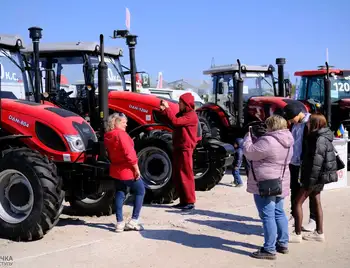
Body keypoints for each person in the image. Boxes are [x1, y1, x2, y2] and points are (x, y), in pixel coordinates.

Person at [243, 115, 294, 260]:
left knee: (267, 216)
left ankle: (269, 249)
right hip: (281, 180)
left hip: (265, 183)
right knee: (279, 212)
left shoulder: (268, 141)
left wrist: (248, 136)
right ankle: (283, 243)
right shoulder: (288, 139)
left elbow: (250, 153)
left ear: (271, 126)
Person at [290, 113, 337, 243]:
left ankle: (297, 233)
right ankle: (319, 232)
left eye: (310, 122)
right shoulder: (323, 136)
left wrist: (308, 181)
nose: (307, 124)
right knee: (316, 202)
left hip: (313, 177)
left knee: (297, 202)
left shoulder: (318, 139)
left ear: (315, 123)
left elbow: (316, 162)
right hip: (318, 177)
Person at [104, 112, 145, 232]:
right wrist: (136, 169)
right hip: (127, 169)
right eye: (123, 122)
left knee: (120, 193)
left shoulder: (108, 135)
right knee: (140, 190)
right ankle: (134, 220)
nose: (126, 125)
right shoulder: (122, 135)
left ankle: (119, 223)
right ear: (116, 122)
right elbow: (129, 153)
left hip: (116, 169)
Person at [160, 93, 200, 210]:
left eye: (180, 102)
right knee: (178, 175)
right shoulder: (183, 114)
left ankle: (190, 201)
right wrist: (163, 111)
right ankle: (183, 200)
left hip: (185, 148)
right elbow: (171, 120)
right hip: (179, 147)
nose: (179, 104)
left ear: (186, 104)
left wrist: (167, 108)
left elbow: (175, 122)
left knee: (186, 174)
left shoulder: (191, 116)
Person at [283, 102, 316, 231]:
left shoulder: (311, 122)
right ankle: (294, 215)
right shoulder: (294, 125)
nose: (290, 121)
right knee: (294, 190)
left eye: (291, 118)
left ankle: (313, 219)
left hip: (307, 164)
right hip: (294, 162)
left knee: (312, 192)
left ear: (298, 114)